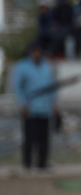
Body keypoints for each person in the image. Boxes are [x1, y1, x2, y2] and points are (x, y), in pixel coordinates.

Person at [12, 40, 56, 169]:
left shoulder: (46, 66)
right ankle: (27, 163)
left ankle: (42, 163)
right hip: (30, 108)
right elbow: (18, 87)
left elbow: (51, 87)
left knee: (44, 138)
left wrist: (54, 103)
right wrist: (22, 103)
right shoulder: (22, 67)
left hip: (45, 108)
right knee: (30, 138)